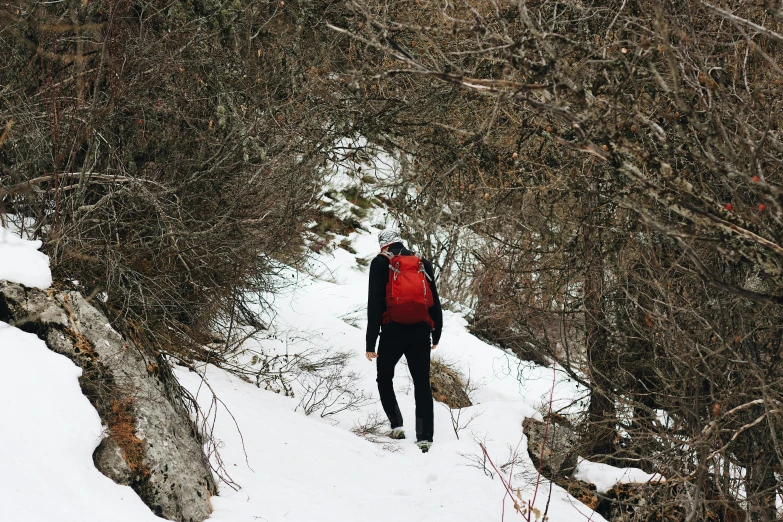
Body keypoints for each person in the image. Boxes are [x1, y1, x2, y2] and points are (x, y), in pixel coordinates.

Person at [365, 229, 443, 452]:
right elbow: (434, 300)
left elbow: (375, 303)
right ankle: (425, 436)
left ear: (383, 245)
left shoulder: (380, 263)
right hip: (420, 331)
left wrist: (371, 342)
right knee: (421, 383)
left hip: (392, 331)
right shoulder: (421, 262)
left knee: (384, 377)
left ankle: (397, 425)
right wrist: (436, 332)